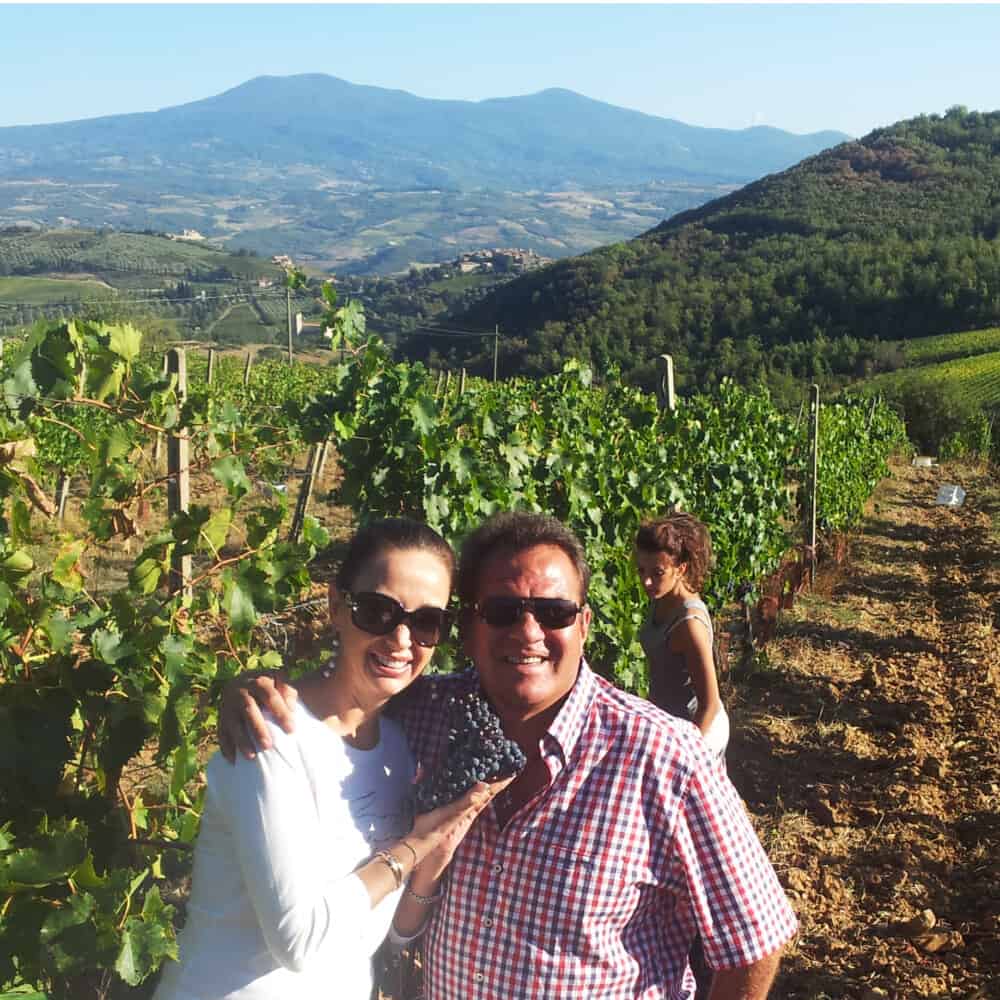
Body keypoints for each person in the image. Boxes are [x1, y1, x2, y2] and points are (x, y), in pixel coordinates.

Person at [222, 512, 797, 999]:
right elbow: (347, 697)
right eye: (501, 610)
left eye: (554, 612)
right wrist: (265, 690)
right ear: (469, 629)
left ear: (585, 625)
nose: (528, 631)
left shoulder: (666, 757)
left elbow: (754, 943)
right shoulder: (425, 715)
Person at [155, 518, 510, 1000]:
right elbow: (300, 941)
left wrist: (432, 855)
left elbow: (381, 931)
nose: (402, 640)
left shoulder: (400, 751)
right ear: (337, 607)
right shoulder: (271, 736)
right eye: (379, 612)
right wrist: (415, 844)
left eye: (427, 622)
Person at [635, 512, 730, 757]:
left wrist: (687, 753)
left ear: (681, 569)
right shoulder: (662, 598)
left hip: (699, 728)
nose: (646, 581)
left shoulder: (690, 624)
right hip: (671, 722)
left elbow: (709, 704)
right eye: (641, 570)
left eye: (657, 573)